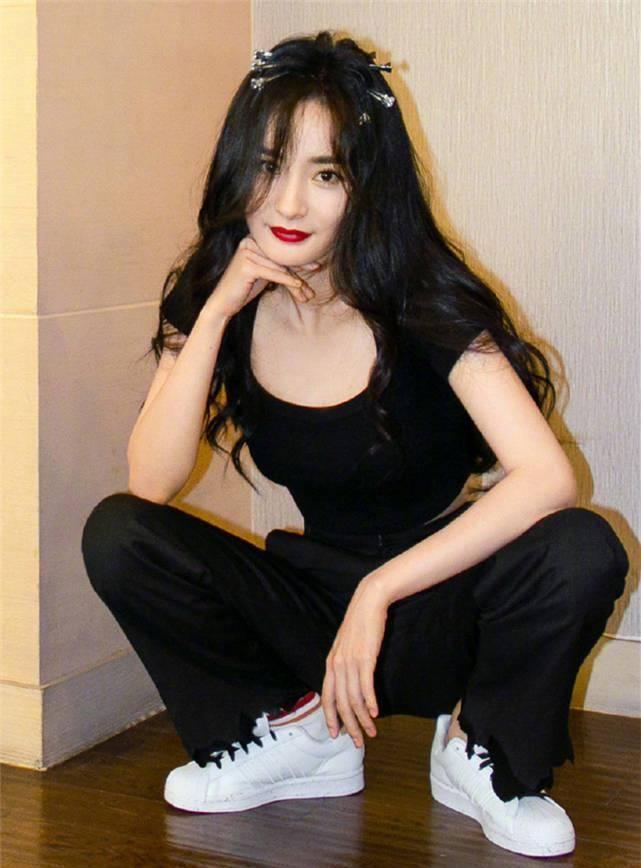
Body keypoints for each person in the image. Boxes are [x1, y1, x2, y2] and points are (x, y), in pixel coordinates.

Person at [80, 30, 629, 859]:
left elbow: (546, 477)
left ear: (367, 184)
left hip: (443, 602)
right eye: (269, 166)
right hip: (315, 601)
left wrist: (379, 593)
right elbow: (149, 482)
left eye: (325, 174)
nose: (288, 205)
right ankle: (300, 735)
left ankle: (479, 749)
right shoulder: (216, 300)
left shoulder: (425, 299)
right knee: (120, 533)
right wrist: (217, 311)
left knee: (583, 546)